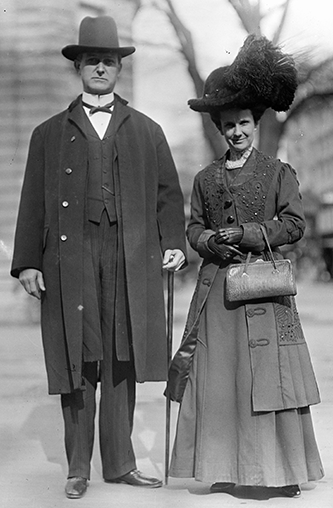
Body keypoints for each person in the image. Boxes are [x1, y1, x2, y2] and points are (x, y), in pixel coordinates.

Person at [11, 15, 186, 499]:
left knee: (121, 356)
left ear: (119, 70)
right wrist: (28, 261)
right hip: (70, 257)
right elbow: (31, 201)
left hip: (130, 257)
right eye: (92, 62)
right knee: (77, 356)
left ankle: (121, 463)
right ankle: (77, 468)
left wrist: (172, 241)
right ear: (79, 69)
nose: (101, 69)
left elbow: (169, 196)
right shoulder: (47, 134)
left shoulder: (147, 131)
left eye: (108, 62)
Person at [167, 34, 324, 498]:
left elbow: (295, 225)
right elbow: (192, 230)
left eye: (243, 123)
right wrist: (210, 239)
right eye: (228, 125)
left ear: (255, 123)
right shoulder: (204, 179)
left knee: (269, 378)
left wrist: (251, 233)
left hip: (265, 290)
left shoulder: (279, 173)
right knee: (221, 379)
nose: (236, 132)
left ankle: (280, 470)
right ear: (219, 128)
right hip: (218, 294)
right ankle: (224, 464)